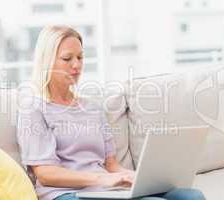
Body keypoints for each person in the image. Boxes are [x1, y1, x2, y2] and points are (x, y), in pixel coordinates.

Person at [16, 26, 206, 200]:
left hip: (104, 189)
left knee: (191, 196)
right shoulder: (34, 108)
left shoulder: (92, 108)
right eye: (67, 58)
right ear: (47, 61)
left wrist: (133, 176)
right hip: (66, 193)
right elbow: (46, 174)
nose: (77, 65)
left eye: (80, 57)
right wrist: (101, 179)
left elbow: (111, 165)